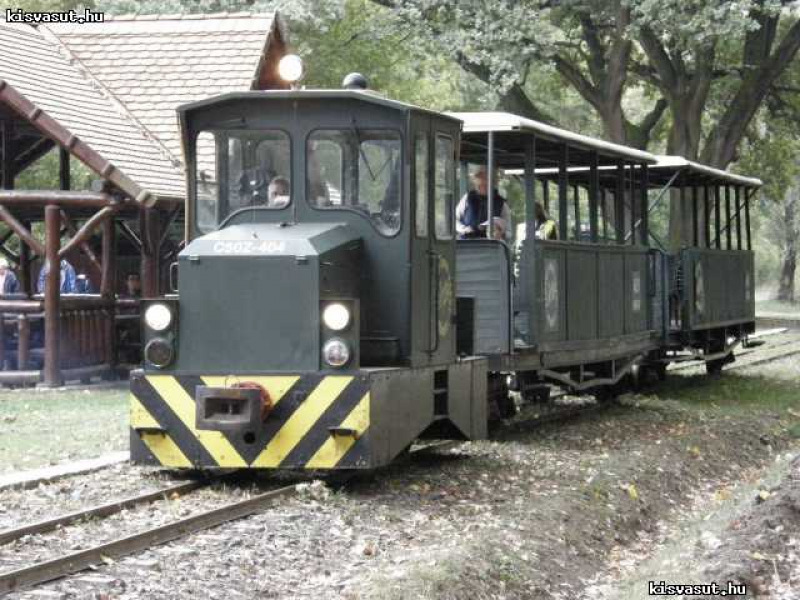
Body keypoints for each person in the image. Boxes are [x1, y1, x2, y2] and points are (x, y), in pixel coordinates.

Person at [455, 167, 512, 242]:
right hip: (467, 244)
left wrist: (501, 234)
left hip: (490, 246)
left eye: (485, 184)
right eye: (479, 185)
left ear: (492, 184)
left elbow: (509, 232)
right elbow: (454, 219)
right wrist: (464, 229)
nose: (482, 187)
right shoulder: (467, 198)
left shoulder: (501, 204)